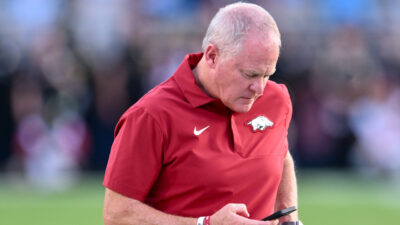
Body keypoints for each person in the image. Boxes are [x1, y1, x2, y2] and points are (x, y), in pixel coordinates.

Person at [103, 2, 301, 225]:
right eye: (249, 74)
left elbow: (280, 154)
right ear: (212, 56)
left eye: (267, 75)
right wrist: (204, 224)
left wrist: (289, 218)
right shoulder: (151, 116)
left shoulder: (276, 99)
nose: (260, 88)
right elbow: (116, 214)